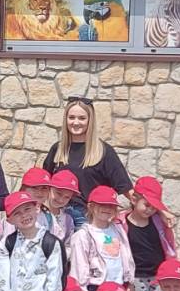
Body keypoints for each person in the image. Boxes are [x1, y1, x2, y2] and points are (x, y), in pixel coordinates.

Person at [42, 97, 133, 227]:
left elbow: (125, 187)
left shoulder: (104, 151)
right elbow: (42, 184)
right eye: (71, 117)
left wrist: (154, 210)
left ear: (90, 120)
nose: (76, 122)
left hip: (86, 216)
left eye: (82, 118)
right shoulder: (58, 149)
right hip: (56, 214)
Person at [119, 177, 177, 291]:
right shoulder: (121, 223)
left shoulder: (158, 221)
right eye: (147, 205)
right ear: (134, 199)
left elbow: (169, 245)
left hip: (158, 276)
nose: (150, 210)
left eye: (154, 207)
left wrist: (161, 211)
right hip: (136, 277)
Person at [69, 185, 134, 291]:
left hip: (119, 285)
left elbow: (127, 256)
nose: (107, 209)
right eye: (103, 205)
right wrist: (82, 288)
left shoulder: (119, 230)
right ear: (91, 206)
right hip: (95, 287)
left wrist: (129, 282)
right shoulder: (83, 235)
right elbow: (79, 264)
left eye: (111, 206)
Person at [47, 170, 79, 244]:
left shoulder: (68, 220)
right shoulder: (36, 213)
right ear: (49, 188)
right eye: (59, 193)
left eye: (67, 197)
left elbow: (68, 244)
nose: (61, 200)